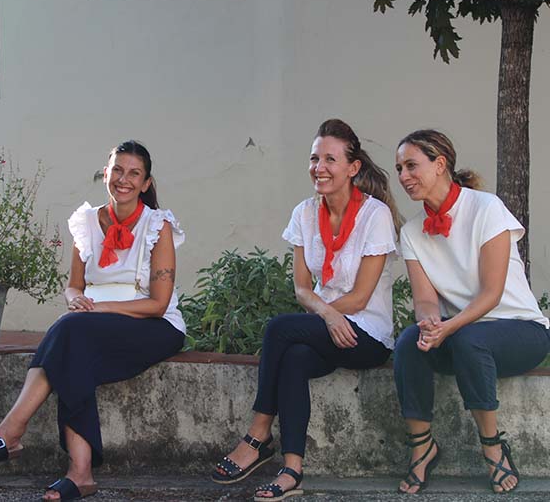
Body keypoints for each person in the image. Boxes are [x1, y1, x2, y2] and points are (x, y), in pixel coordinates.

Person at [0, 140, 185, 501]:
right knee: (73, 346)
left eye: (134, 174)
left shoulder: (157, 226)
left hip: (153, 325)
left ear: (146, 183)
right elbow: (74, 286)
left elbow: (158, 304)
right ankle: (79, 474)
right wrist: (76, 301)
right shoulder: (86, 221)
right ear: (105, 173)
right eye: (117, 170)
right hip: (93, 325)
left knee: (70, 334)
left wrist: (97, 309)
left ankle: (13, 431)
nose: (123, 179)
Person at [210, 119, 401, 501]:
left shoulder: (374, 215)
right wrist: (327, 314)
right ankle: (292, 469)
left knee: (279, 329)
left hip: (367, 333)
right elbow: (301, 288)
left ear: (353, 167)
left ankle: (258, 434)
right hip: (325, 326)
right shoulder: (304, 213)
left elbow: (361, 297)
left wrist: (327, 313)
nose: (319, 167)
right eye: (315, 158)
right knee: (294, 358)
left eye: (330, 159)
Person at [393, 129, 550, 494]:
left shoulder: (486, 208)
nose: (403, 176)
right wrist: (430, 322)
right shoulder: (412, 231)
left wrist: (449, 328)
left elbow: (492, 294)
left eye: (412, 165)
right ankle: (422, 447)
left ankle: (493, 447)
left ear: (440, 164)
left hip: (520, 330)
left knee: (468, 338)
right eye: (399, 168)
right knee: (409, 342)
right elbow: (425, 299)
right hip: (464, 333)